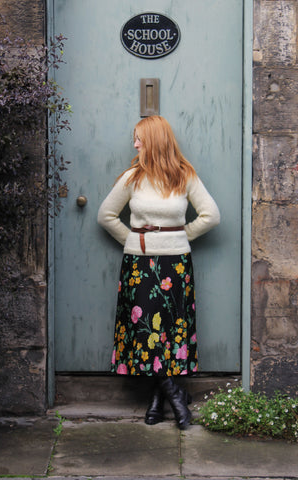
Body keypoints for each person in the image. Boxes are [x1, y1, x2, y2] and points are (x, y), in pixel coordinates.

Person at [97, 115, 220, 430]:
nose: (135, 144)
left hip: (175, 263)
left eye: (139, 138)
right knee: (146, 333)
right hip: (139, 263)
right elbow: (106, 215)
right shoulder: (132, 177)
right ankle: (176, 396)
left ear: (154, 141)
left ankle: (157, 401)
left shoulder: (184, 175)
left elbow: (211, 215)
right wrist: (133, 239)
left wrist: (181, 236)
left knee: (170, 331)